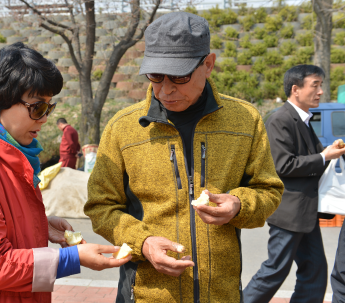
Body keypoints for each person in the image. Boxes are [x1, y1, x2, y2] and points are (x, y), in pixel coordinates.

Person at [84, 12, 284, 303]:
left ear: (208, 64)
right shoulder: (123, 127)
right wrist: (144, 243)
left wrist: (239, 205)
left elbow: (269, 190)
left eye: (179, 76)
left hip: (222, 295)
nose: (165, 90)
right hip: (144, 294)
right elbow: (100, 207)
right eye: (155, 76)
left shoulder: (245, 120)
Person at [0, 42, 131, 303]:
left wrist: (40, 225)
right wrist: (72, 259)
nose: (44, 118)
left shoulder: (5, 151)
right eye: (37, 107)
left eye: (48, 107)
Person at [244, 65, 345, 303]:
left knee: (314, 270)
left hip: (303, 213)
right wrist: (324, 156)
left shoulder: (302, 119)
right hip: (289, 212)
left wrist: (329, 152)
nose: (321, 91)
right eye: (315, 85)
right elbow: (283, 165)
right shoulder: (280, 119)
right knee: (275, 269)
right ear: (295, 89)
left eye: (321, 85)